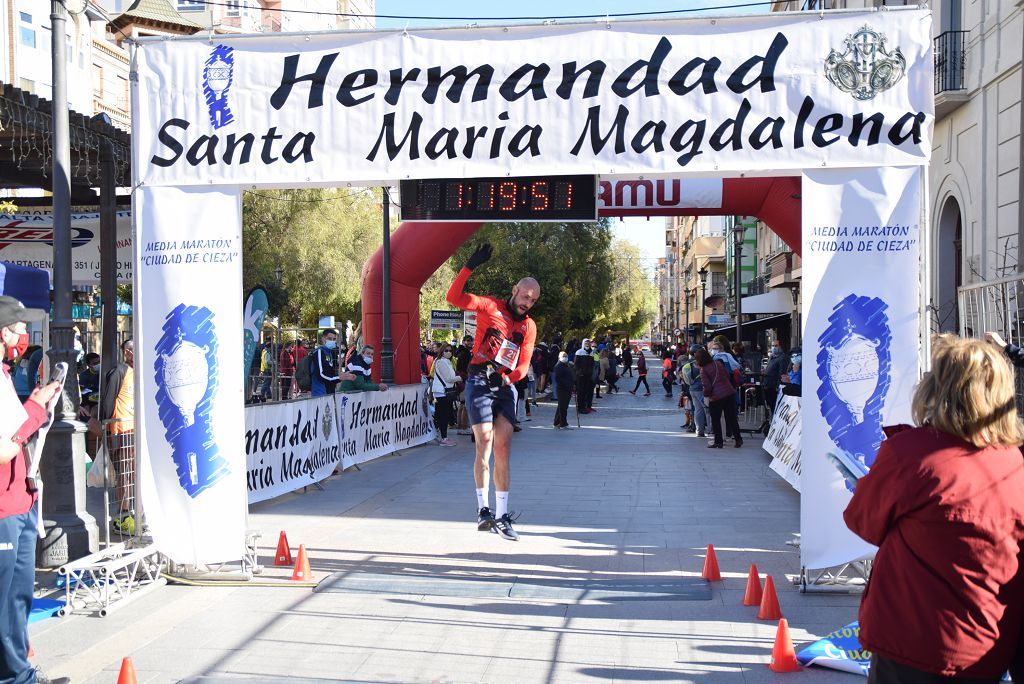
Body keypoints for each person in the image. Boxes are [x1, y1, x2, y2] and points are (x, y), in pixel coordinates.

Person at [844, 335, 1024, 684]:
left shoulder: (912, 453)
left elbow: (862, 522)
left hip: (914, 643)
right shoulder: (1015, 462)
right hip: (988, 644)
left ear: (936, 389)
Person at [446, 243, 538, 542]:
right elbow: (453, 297)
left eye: (533, 300)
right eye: (525, 295)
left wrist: (507, 380)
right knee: (484, 441)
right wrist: (469, 265)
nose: (527, 302)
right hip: (478, 381)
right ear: (515, 290)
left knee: (503, 448)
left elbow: (523, 366)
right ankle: (483, 510)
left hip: (505, 386)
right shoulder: (490, 307)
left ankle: (502, 515)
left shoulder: (529, 327)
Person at [0, 296, 66, 684]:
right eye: (20, 326)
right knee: (6, 603)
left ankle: (20, 673)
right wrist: (35, 411)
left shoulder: (5, 373)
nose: (26, 333)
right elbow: (5, 445)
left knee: (18, 598)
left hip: (20, 504)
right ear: (4, 331)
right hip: (5, 511)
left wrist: (34, 406)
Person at [100, 338, 137, 534]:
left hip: (136, 430)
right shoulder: (120, 372)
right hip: (122, 430)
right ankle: (123, 515)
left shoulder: (141, 371)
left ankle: (135, 512)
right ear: (126, 352)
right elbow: (108, 401)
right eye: (132, 349)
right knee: (125, 474)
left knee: (134, 473)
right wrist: (106, 426)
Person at [697, 347, 741, 449]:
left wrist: (706, 395)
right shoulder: (718, 364)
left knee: (716, 419)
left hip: (716, 397)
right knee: (731, 418)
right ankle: (738, 439)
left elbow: (707, 386)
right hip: (729, 392)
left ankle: (718, 441)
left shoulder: (703, 370)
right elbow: (727, 375)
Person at [310, 329, 356, 397]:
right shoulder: (319, 352)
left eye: (334, 339)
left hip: (329, 392)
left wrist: (342, 376)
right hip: (320, 393)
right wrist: (340, 377)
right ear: (323, 339)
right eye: (329, 338)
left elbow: (330, 374)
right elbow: (321, 375)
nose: (332, 341)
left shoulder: (330, 353)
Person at [431, 343, 458, 447]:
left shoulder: (447, 362)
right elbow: (448, 379)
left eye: (450, 350)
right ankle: (443, 438)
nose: (448, 352)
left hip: (444, 391)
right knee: (443, 415)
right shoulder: (441, 362)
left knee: (443, 414)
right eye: (446, 350)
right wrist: (461, 378)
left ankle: (443, 437)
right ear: (441, 351)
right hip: (441, 392)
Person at [683, 346, 707, 438]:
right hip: (701, 389)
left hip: (692, 389)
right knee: (707, 410)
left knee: (697, 410)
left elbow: (685, 379)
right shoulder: (701, 364)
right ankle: (710, 430)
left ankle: (699, 430)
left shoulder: (688, 364)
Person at [762, 340, 787, 414]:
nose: (774, 347)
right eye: (772, 346)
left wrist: (777, 386)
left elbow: (781, 373)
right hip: (767, 384)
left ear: (780, 347)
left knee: (774, 406)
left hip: (774, 386)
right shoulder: (772, 357)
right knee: (770, 405)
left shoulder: (782, 358)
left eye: (776, 346)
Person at [552, 351, 574, 429]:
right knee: (563, 407)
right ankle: (563, 423)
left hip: (568, 388)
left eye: (566, 356)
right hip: (562, 389)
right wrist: (567, 385)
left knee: (562, 406)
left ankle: (556, 422)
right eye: (563, 356)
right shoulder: (558, 366)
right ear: (559, 357)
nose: (565, 357)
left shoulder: (567, 365)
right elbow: (558, 379)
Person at [573, 339, 595, 414]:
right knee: (580, 392)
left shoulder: (591, 352)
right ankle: (580, 407)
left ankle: (585, 406)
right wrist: (579, 372)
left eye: (588, 343)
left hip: (588, 376)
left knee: (586, 392)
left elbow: (592, 364)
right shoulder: (579, 352)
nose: (587, 344)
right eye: (586, 343)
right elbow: (576, 364)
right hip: (581, 376)